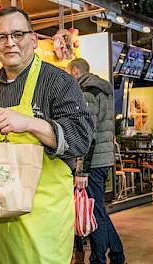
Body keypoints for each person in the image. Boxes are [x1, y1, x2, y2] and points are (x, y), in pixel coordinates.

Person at [0, 7, 94, 263]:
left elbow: (80, 138)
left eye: (18, 34)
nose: (10, 42)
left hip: (44, 218)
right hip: (2, 216)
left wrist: (31, 123)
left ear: (33, 40)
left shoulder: (58, 82)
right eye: (2, 37)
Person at [67, 58, 125, 264]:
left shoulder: (87, 92)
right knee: (98, 208)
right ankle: (117, 254)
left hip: (93, 162)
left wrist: (82, 171)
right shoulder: (102, 90)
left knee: (95, 211)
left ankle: (98, 258)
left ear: (75, 71)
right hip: (103, 158)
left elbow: (87, 135)